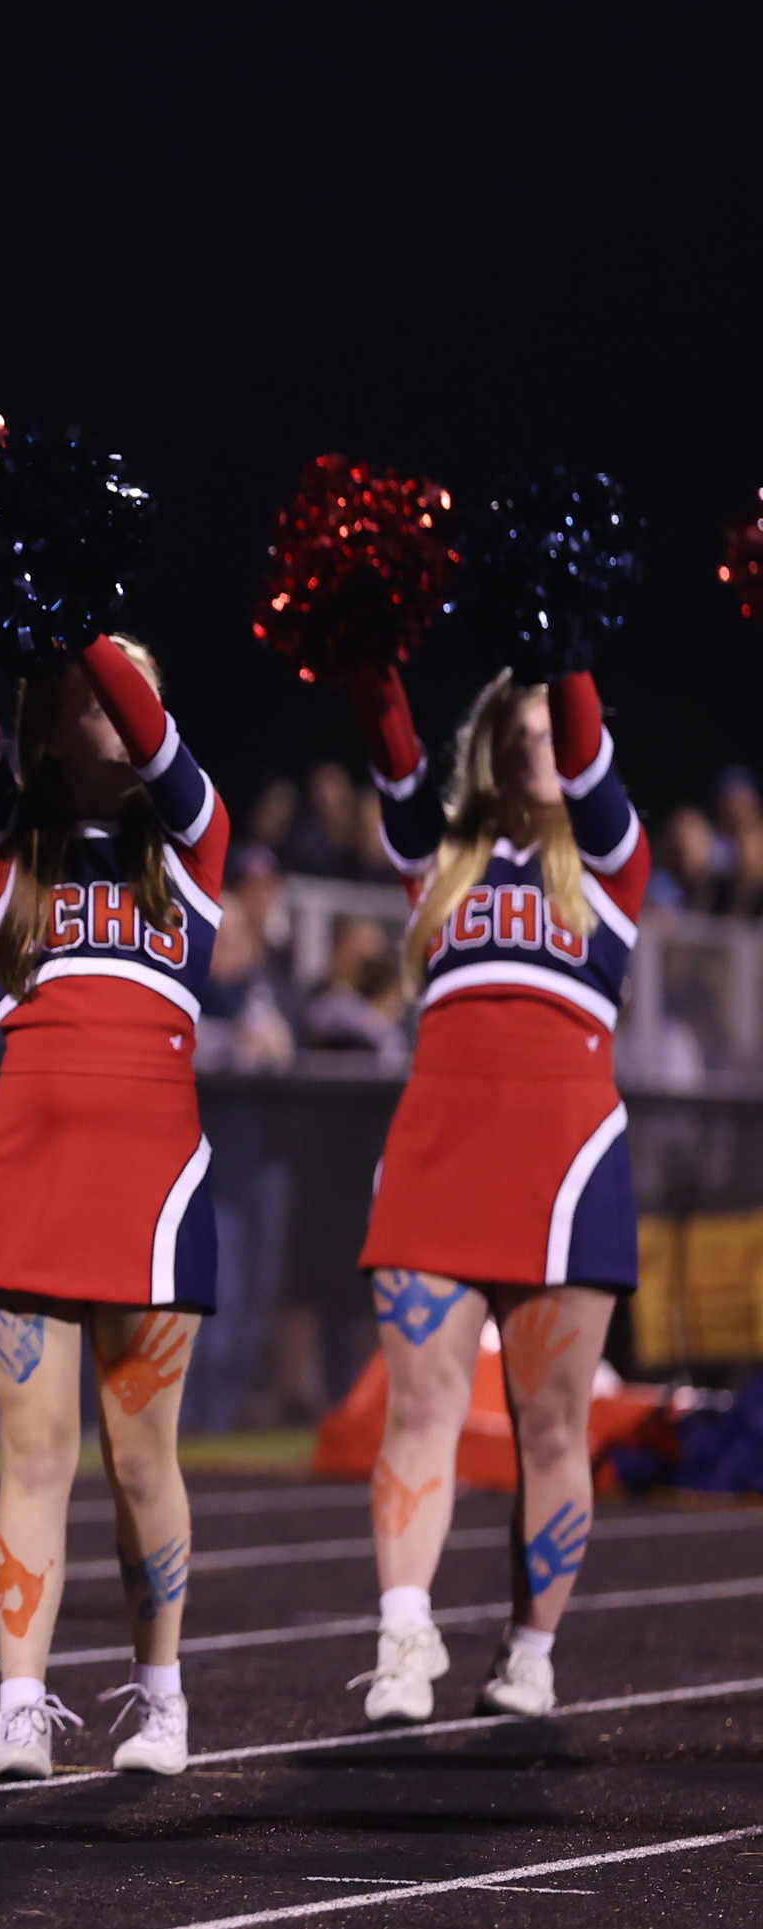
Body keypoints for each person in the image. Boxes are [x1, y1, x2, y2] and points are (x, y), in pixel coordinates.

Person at [0, 637, 227, 1780]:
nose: (122, 706)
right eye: (92, 696)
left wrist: (83, 612)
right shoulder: (16, 846)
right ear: (51, 729)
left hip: (154, 1184)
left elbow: (150, 734)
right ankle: (20, 1702)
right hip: (29, 1170)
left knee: (141, 1460)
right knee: (34, 1453)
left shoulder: (196, 841)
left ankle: (161, 1694)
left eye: (136, 692)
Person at [346, 655, 646, 1725]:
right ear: (490, 750)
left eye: (555, 731)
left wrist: (566, 645)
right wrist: (369, 645)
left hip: (566, 1162)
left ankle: (531, 1649)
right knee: (420, 1406)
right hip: (440, 1150)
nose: (543, 748)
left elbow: (591, 756)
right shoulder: (441, 861)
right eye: (521, 732)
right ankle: (403, 1635)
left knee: (551, 1426)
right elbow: (391, 754)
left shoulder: (612, 864)